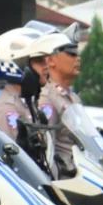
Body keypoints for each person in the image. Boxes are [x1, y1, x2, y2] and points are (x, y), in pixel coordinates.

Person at [0, 25, 58, 176]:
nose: (47, 65)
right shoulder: (7, 109)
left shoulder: (27, 103)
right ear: (19, 65)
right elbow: (13, 167)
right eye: (39, 61)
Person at [36, 23, 83, 171]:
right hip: (66, 180)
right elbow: (47, 152)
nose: (78, 58)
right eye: (71, 54)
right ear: (51, 60)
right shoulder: (47, 99)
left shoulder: (72, 97)